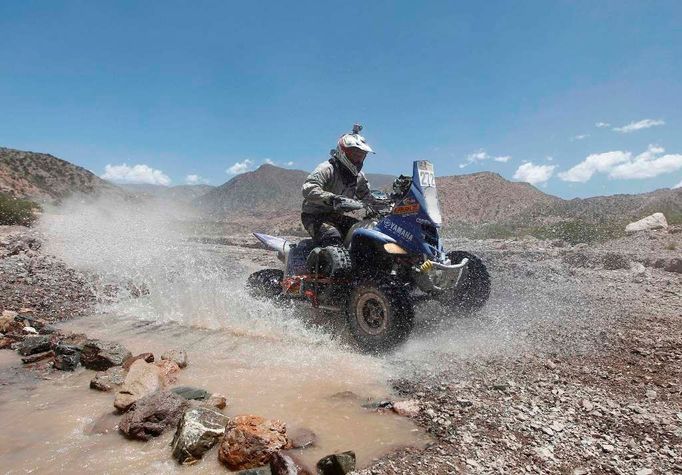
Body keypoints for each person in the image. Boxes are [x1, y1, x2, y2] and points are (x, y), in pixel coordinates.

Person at [301, 124, 375, 246]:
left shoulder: (359, 176)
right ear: (342, 152)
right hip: (314, 215)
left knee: (363, 234)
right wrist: (332, 198)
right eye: (354, 155)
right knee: (332, 236)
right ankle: (324, 264)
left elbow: (367, 197)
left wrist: (390, 204)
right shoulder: (327, 169)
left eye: (361, 156)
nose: (357, 159)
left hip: (335, 216)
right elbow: (309, 189)